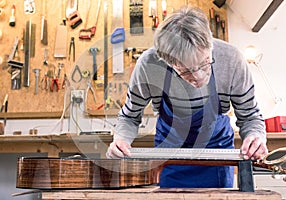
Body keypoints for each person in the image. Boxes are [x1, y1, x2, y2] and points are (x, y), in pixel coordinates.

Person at [106, 6, 268, 188]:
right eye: (186, 71)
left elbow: (250, 117)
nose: (198, 77)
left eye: (205, 63)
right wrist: (121, 139)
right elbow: (129, 116)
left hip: (216, 154)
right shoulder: (148, 65)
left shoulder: (231, 60)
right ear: (166, 61)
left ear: (210, 46)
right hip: (170, 155)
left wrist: (255, 137)